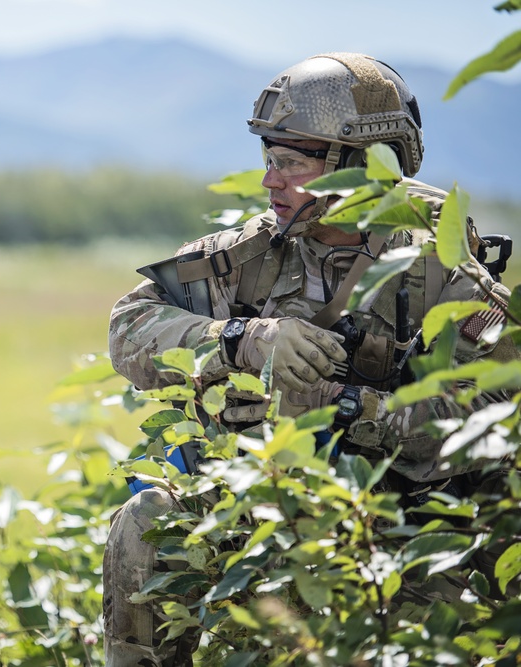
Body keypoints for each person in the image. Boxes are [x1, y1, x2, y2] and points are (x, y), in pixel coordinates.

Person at [102, 52, 519, 666]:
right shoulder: (245, 257)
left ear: (363, 167)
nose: (270, 180)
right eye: (269, 159)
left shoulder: (444, 276)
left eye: (291, 163)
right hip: (266, 509)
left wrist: (347, 407)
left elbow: (496, 425)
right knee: (146, 519)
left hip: (408, 531)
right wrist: (242, 340)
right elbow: (128, 326)